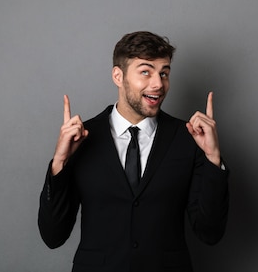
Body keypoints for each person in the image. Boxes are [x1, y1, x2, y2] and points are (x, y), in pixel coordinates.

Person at [38, 31, 229, 272]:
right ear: (118, 76)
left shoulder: (190, 139)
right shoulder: (80, 139)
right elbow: (53, 235)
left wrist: (213, 159)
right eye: (145, 72)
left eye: (164, 73)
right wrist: (60, 162)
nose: (158, 84)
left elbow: (210, 232)